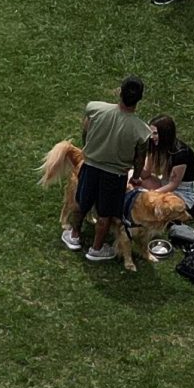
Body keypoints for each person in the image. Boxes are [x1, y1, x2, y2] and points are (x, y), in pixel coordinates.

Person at [63, 77, 147, 263]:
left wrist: (88, 149)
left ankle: (74, 236)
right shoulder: (141, 130)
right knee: (105, 213)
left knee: (81, 203)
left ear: (119, 91)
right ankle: (97, 249)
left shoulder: (95, 109)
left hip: (90, 166)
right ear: (140, 99)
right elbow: (139, 158)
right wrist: (137, 177)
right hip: (116, 175)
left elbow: (85, 131)